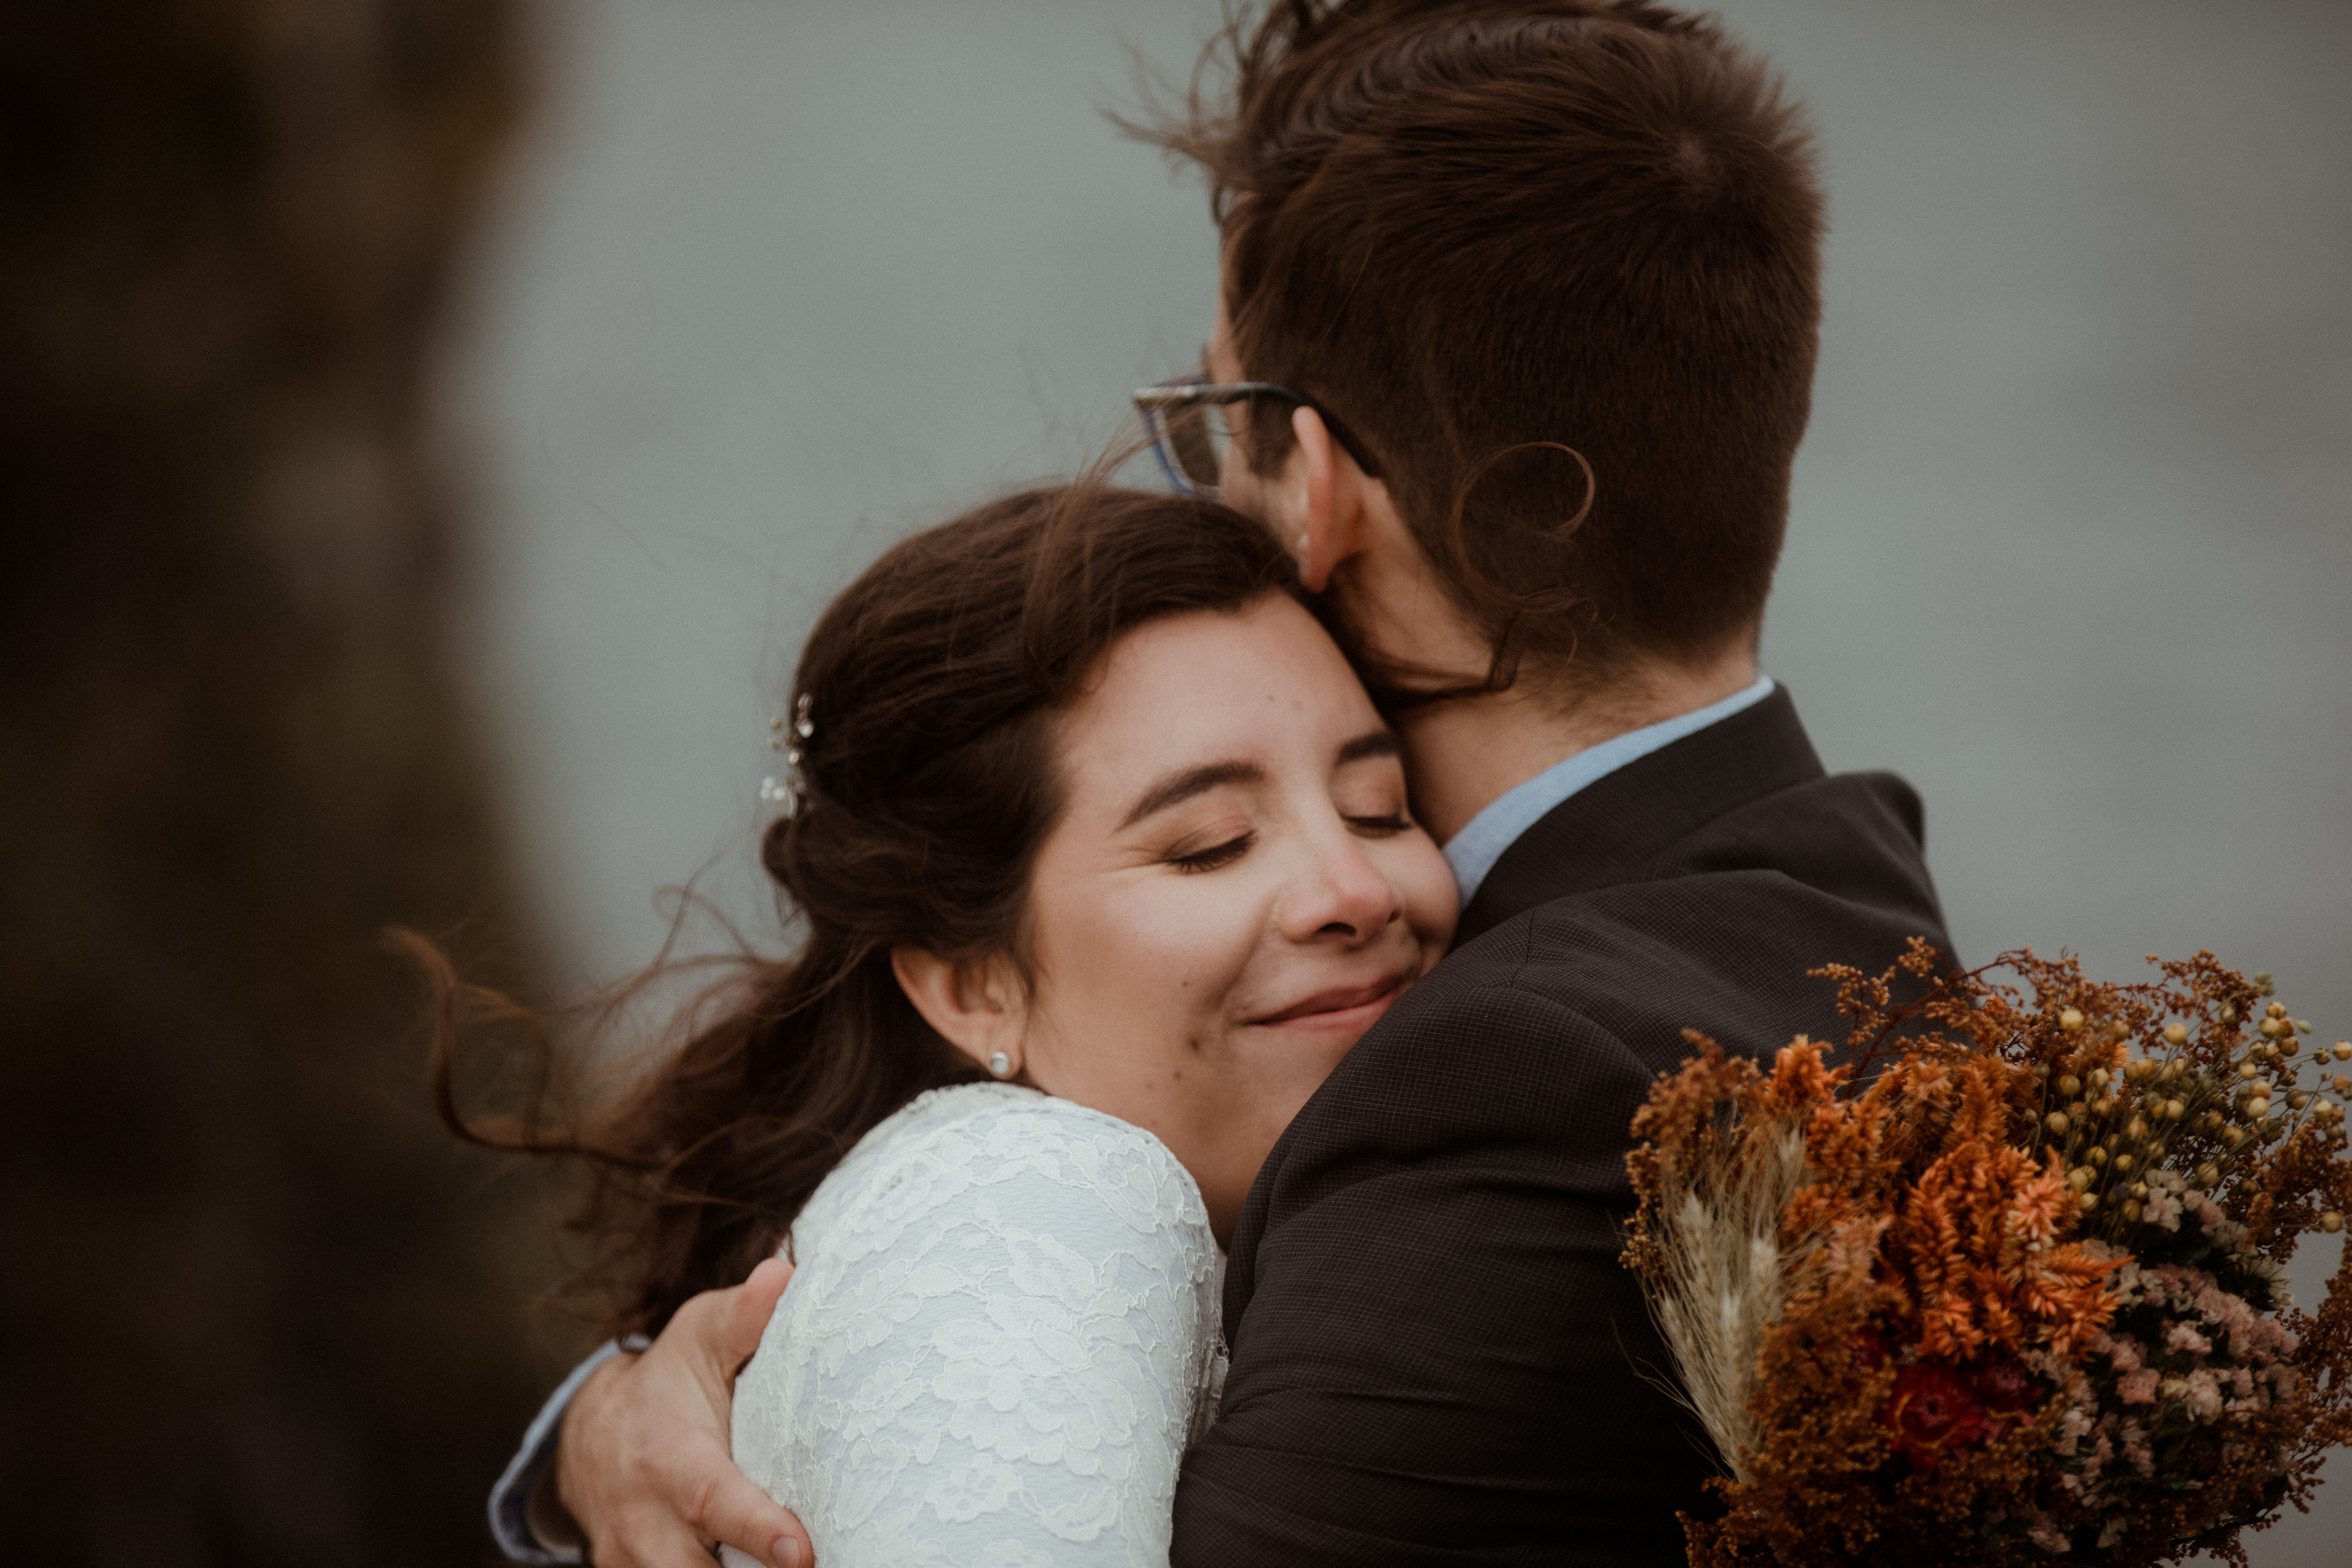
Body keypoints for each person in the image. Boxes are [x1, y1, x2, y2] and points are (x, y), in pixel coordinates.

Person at [499, 3, 1955, 1564]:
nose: (1343, 885)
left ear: (1315, 488)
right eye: (1209, 838)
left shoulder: (1506, 1074)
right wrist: (635, 1415)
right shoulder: (1859, 891)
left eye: (1216, 429)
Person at [453, 485, 1456, 1567]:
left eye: (1380, 809)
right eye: (1208, 844)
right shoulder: (1038, 1196)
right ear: (974, 984)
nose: (1355, 889)